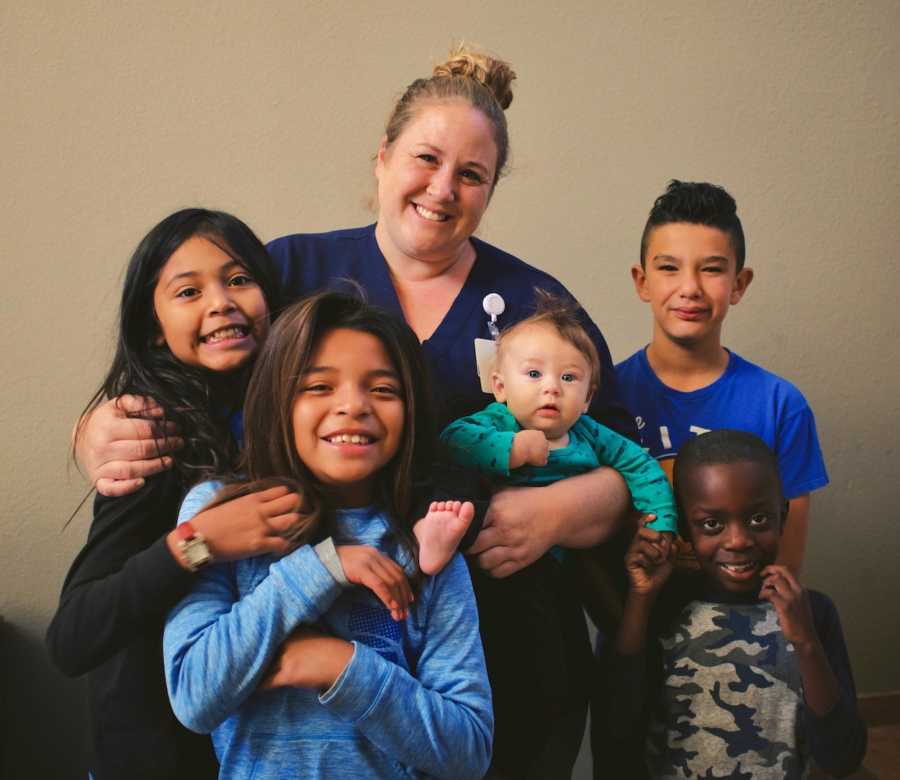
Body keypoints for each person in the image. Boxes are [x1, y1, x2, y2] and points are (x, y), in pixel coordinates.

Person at [74, 45, 636, 777]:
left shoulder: (537, 307)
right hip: (295, 661)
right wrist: (92, 426)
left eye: (472, 175)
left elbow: (625, 459)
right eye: (425, 160)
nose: (443, 189)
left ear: (493, 189)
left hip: (493, 644)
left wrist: (559, 511)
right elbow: (189, 365)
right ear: (381, 157)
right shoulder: (289, 273)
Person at [163, 291, 493, 779]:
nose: (353, 407)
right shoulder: (220, 512)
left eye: (383, 390)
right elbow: (194, 696)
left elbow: (468, 751)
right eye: (318, 387)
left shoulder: (426, 542)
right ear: (278, 398)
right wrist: (321, 567)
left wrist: (335, 664)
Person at [45, 209, 308, 779]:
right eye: (188, 291)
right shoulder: (155, 437)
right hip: (156, 757)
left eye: (239, 279)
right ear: (154, 329)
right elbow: (73, 636)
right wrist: (199, 543)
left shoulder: (299, 423)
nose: (220, 301)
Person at [606, 430, 866, 779]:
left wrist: (805, 643)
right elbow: (618, 727)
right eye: (712, 524)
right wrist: (640, 600)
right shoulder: (663, 604)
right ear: (684, 527)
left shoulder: (812, 612)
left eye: (758, 519)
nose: (739, 540)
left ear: (782, 515)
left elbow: (842, 757)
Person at [617, 180, 828, 574]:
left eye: (712, 270)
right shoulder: (602, 396)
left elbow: (784, 571)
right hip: (634, 626)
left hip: (745, 631)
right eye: (668, 268)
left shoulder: (781, 406)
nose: (690, 289)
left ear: (739, 284)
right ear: (642, 281)